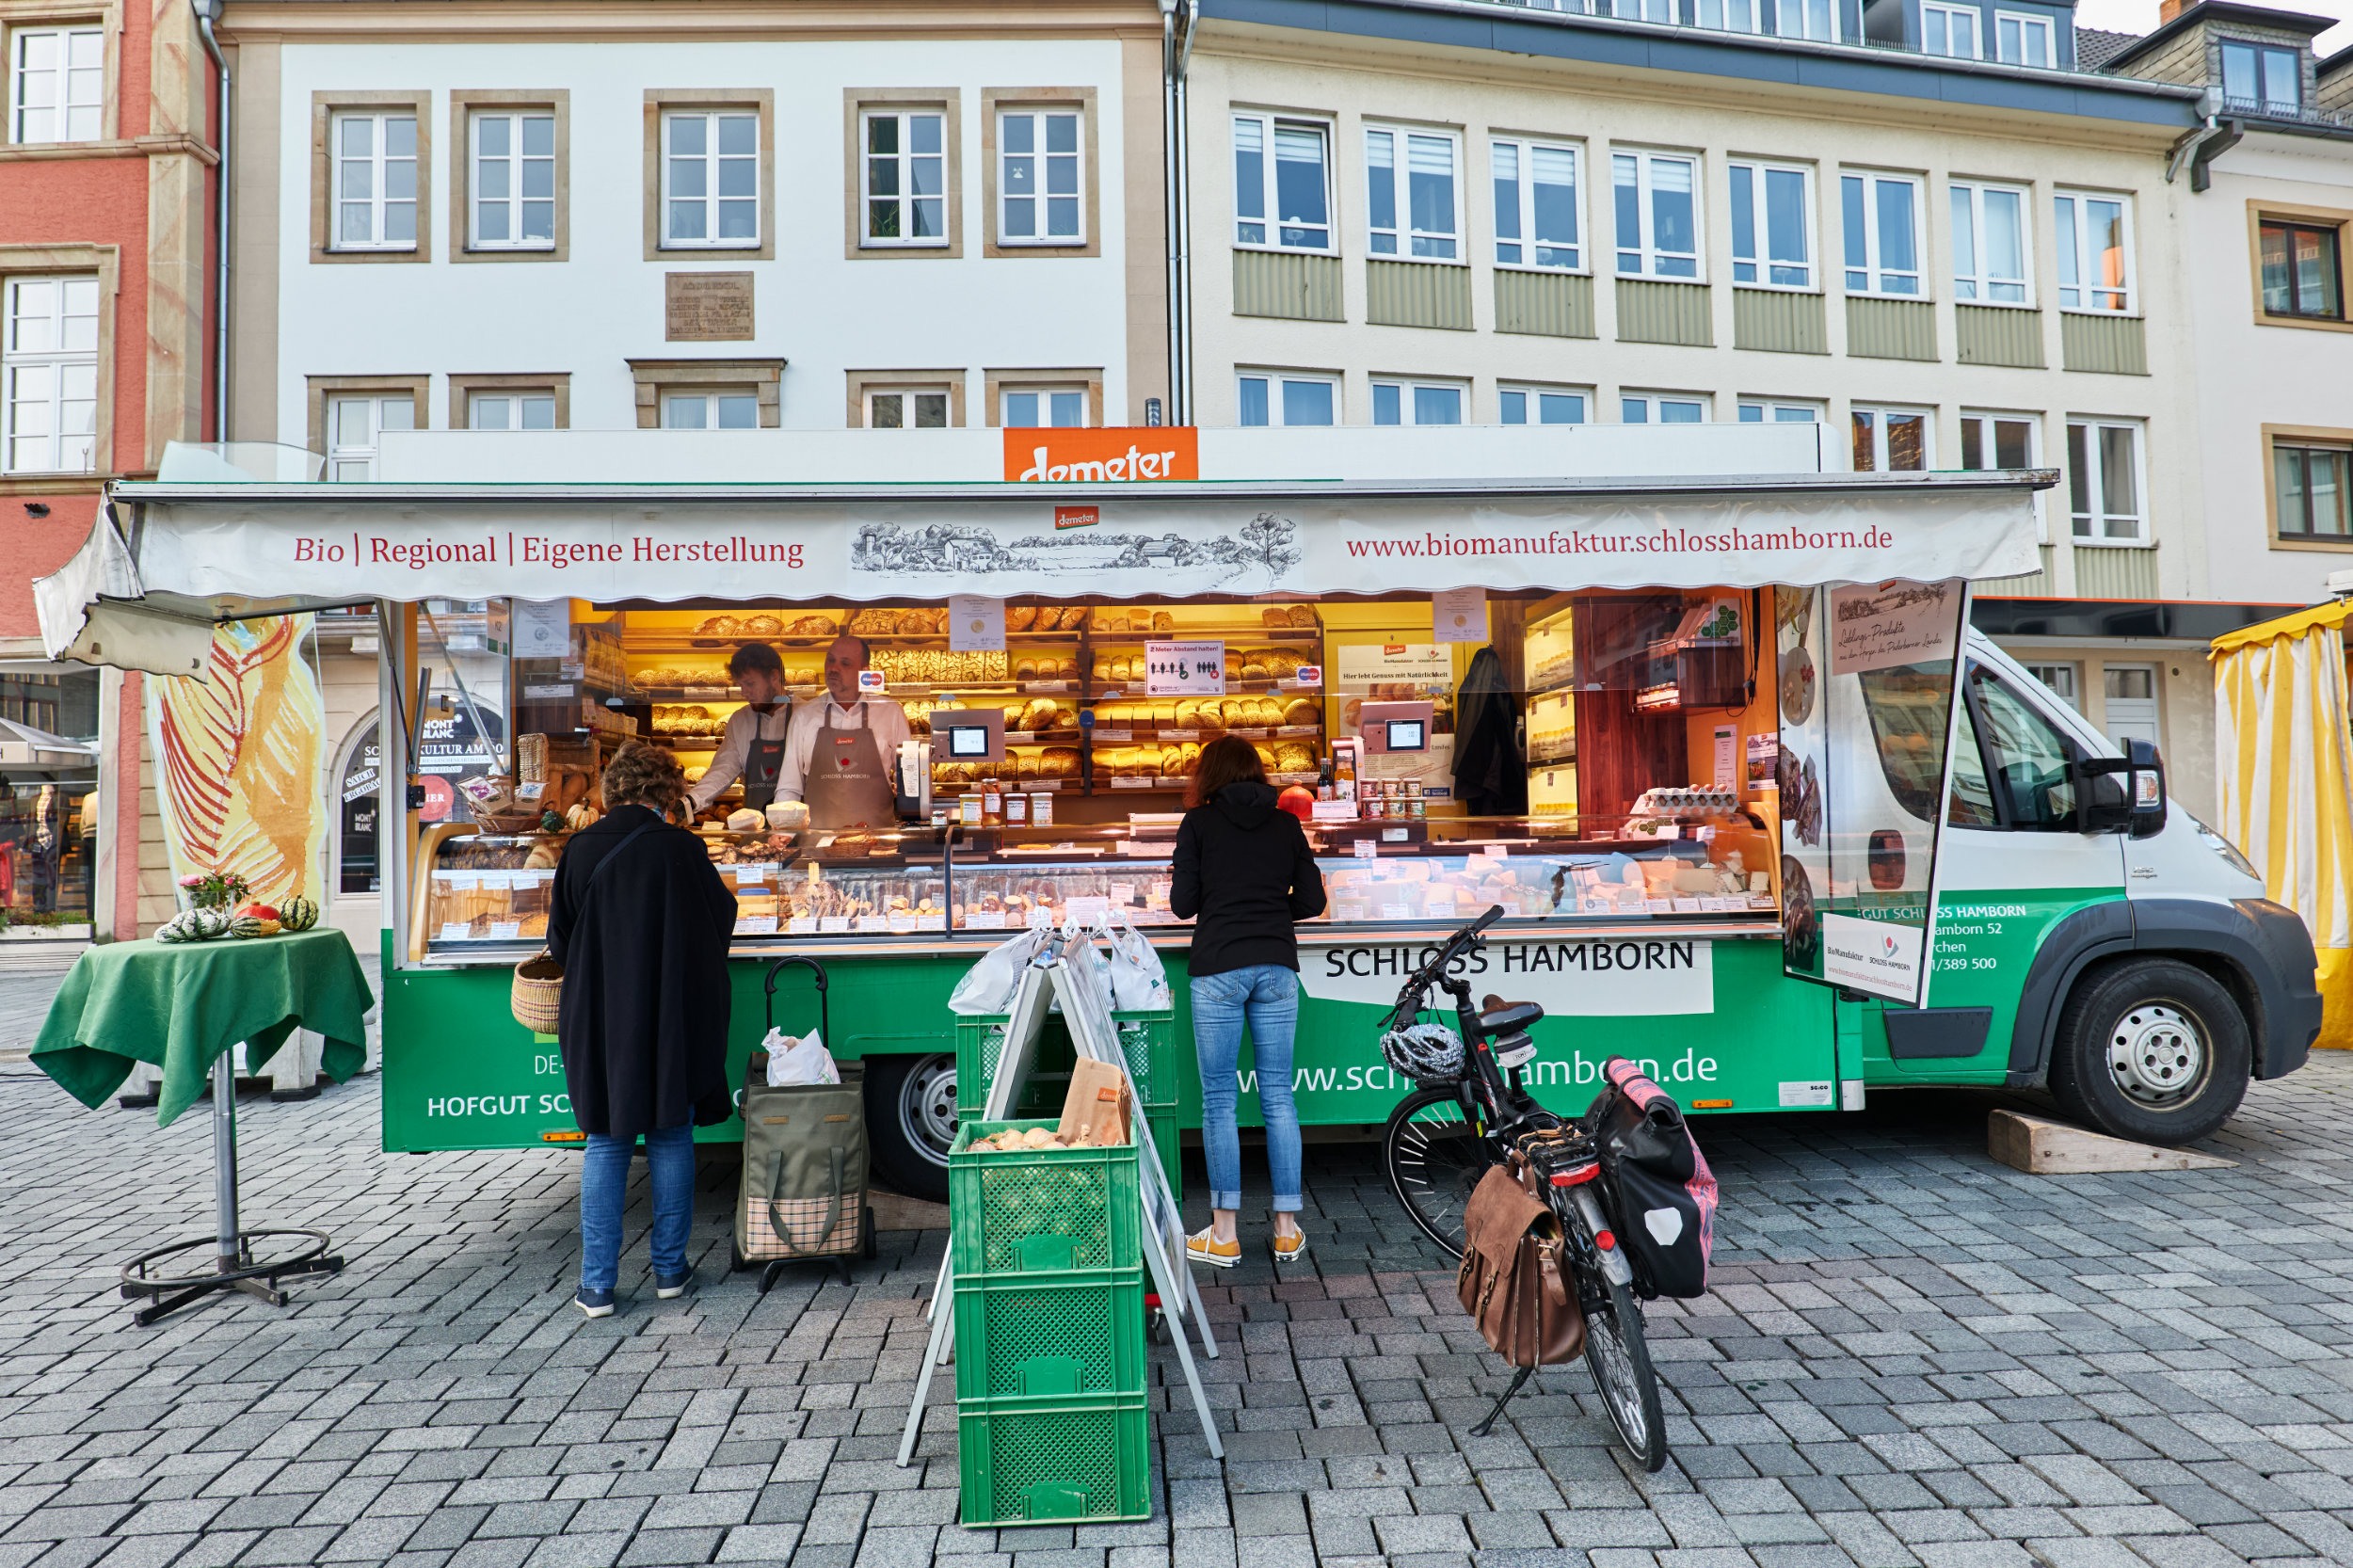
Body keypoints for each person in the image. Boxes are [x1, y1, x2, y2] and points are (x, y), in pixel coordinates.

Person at [549, 740, 738, 1318]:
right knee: (671, 1133)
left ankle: (598, 1286)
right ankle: (671, 1272)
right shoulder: (682, 848)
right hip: (671, 1012)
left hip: (602, 1015)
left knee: (606, 1140)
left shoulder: (580, 848)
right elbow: (720, 920)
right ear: (665, 792)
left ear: (614, 792)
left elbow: (561, 942)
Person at [1171, 734, 1327, 1267]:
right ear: (1256, 771)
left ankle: (1225, 1234)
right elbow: (1312, 900)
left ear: (1208, 775)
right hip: (1277, 967)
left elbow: (1181, 906)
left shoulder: (1198, 824)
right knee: (1278, 1097)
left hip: (1217, 966)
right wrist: (1267, 903)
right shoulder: (1287, 823)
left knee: (1219, 1102)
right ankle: (1286, 1231)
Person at [776, 634, 912, 831]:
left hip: (878, 844)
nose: (833, 668)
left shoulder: (890, 712)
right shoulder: (804, 716)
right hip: (817, 845)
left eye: (845, 663)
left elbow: (908, 778)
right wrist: (783, 831)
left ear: (864, 671)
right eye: (830, 660)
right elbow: (789, 787)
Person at [686, 643, 794, 817]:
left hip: (803, 832)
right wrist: (689, 802)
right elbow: (723, 770)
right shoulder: (740, 721)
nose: (744, 692)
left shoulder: (806, 715)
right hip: (756, 833)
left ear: (774, 677)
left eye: (750, 684)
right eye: (741, 685)